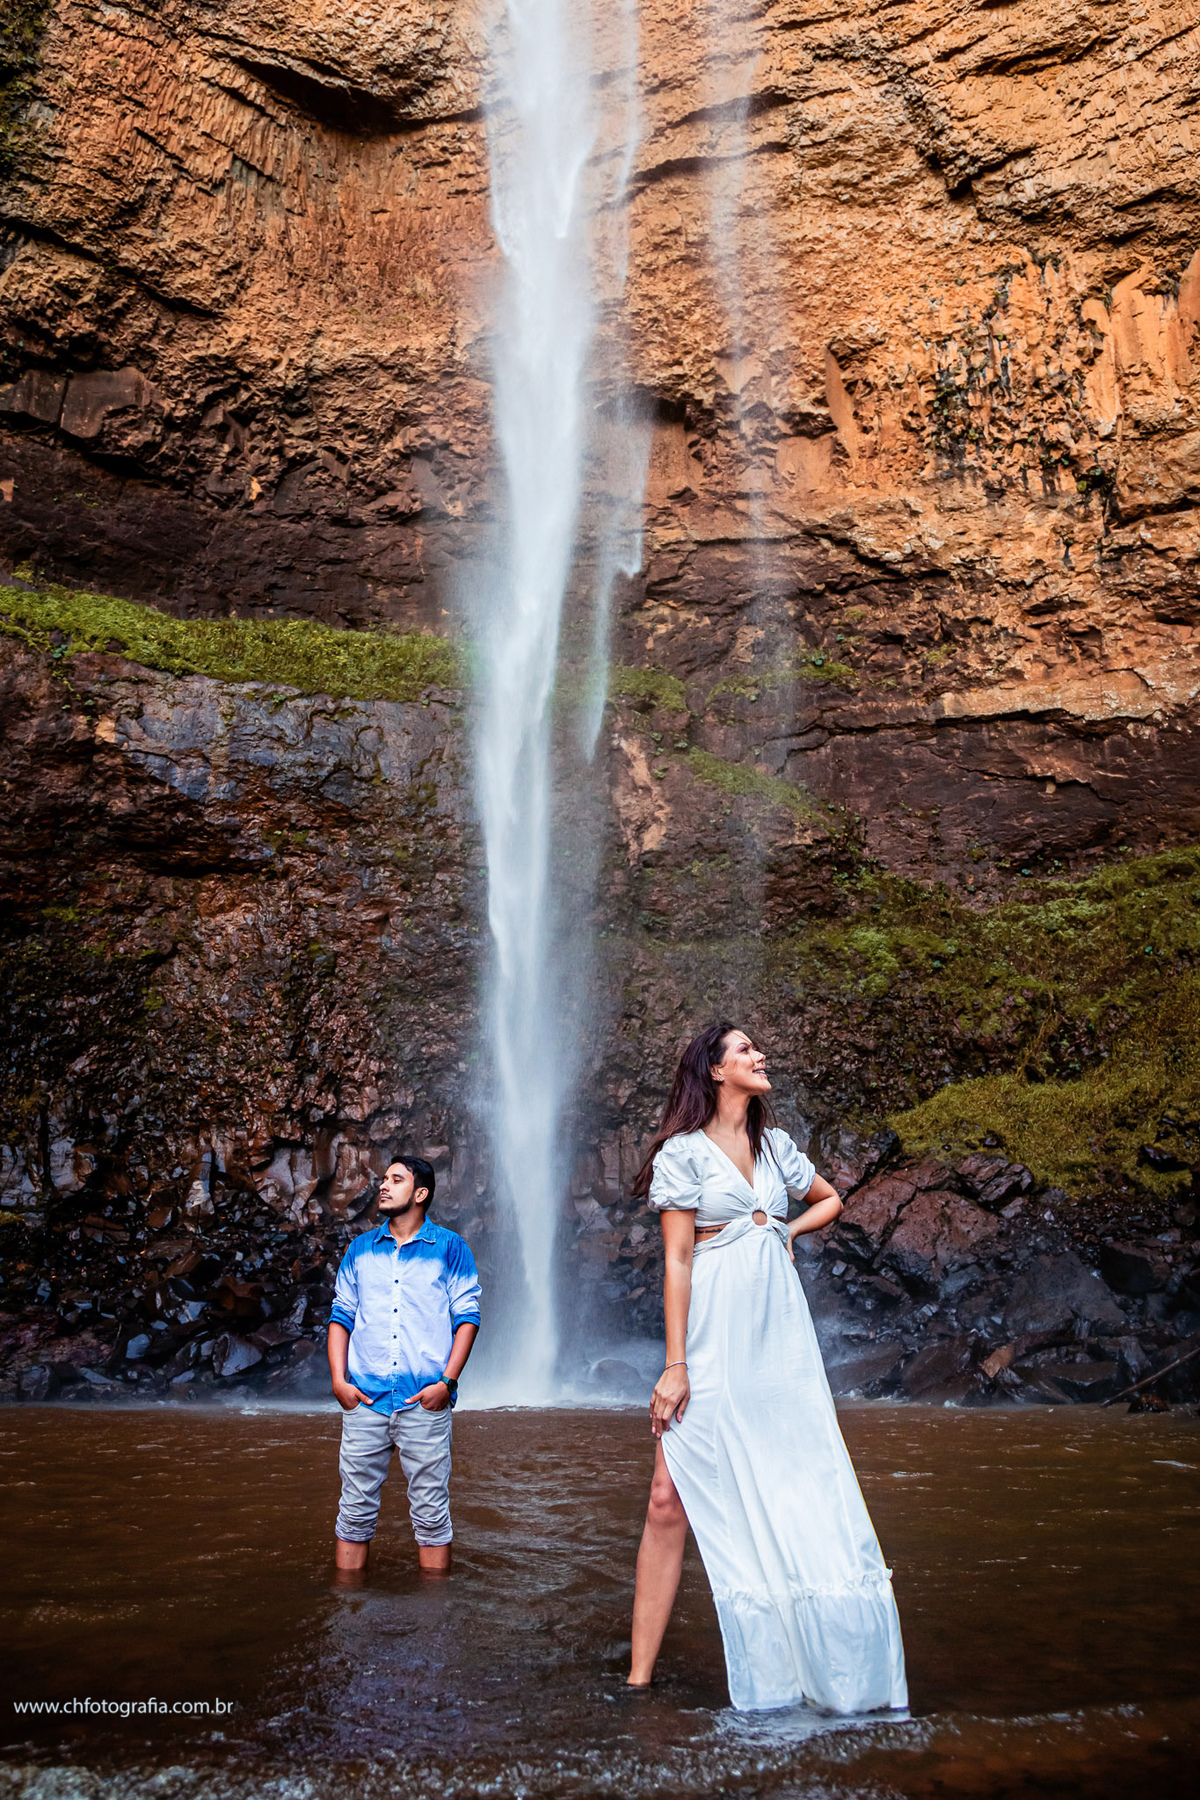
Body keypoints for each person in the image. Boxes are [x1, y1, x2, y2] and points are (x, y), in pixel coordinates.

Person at [626, 1022, 907, 1713]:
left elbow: (830, 1199)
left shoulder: (776, 1147)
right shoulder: (683, 1154)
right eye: (745, 1050)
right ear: (715, 1072)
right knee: (667, 1497)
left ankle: (817, 1667)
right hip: (711, 1336)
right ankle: (637, 1681)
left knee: (793, 1483)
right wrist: (675, 1365)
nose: (759, 1056)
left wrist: (783, 1228)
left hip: (778, 1341)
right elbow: (678, 1260)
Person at [327, 1154, 481, 1577]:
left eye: (396, 1179)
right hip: (365, 1400)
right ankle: (347, 1608)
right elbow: (341, 1316)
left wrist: (446, 1384)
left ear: (420, 1193)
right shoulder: (359, 1250)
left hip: (423, 1400)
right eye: (383, 1178)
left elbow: (467, 1318)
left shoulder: (450, 1248)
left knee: (432, 1516)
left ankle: (434, 1615)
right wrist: (339, 1381)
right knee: (353, 1512)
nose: (383, 1185)